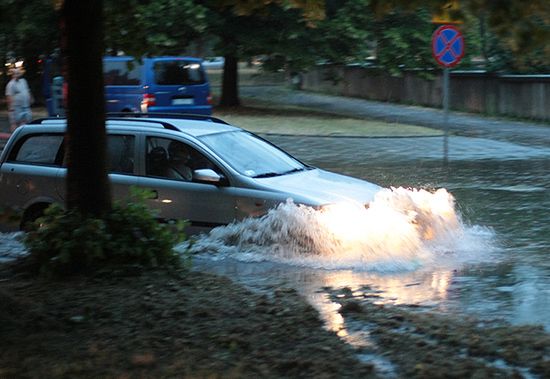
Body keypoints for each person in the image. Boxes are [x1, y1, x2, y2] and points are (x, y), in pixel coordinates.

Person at [5, 68, 33, 132]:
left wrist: (31, 98)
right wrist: (11, 109)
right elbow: (9, 97)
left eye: (18, 73)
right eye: (15, 73)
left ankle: (23, 136)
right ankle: (14, 137)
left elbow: (27, 90)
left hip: (25, 106)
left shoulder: (23, 81)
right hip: (16, 107)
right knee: (14, 123)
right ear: (12, 75)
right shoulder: (10, 84)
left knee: (25, 121)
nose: (17, 75)